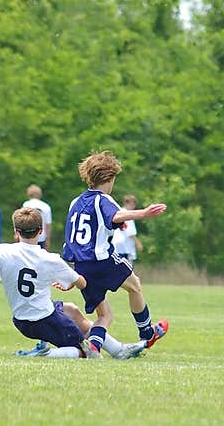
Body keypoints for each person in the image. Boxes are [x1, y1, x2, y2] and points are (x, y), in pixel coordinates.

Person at [0, 207, 145, 359]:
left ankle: (119, 350)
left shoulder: (2, 251)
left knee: (72, 310)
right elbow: (81, 282)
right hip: (46, 320)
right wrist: (70, 282)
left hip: (22, 319)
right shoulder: (50, 259)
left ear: (16, 232)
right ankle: (45, 354)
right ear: (41, 231)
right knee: (86, 351)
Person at [63, 150, 169, 355]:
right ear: (109, 177)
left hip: (81, 266)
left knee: (104, 315)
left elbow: (71, 239)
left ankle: (93, 346)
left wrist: (68, 275)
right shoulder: (104, 199)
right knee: (135, 286)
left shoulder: (75, 202)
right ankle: (147, 333)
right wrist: (144, 213)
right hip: (102, 262)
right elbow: (117, 214)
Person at [110, 194, 144, 261]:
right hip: (125, 245)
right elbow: (131, 233)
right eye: (132, 204)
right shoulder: (129, 215)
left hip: (115, 243)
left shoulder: (118, 212)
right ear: (126, 203)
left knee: (117, 267)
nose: (133, 207)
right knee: (126, 269)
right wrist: (138, 244)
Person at [22, 184, 52, 249]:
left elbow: (22, 222)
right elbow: (48, 225)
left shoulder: (26, 204)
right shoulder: (46, 206)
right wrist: (48, 239)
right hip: (41, 237)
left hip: (26, 237)